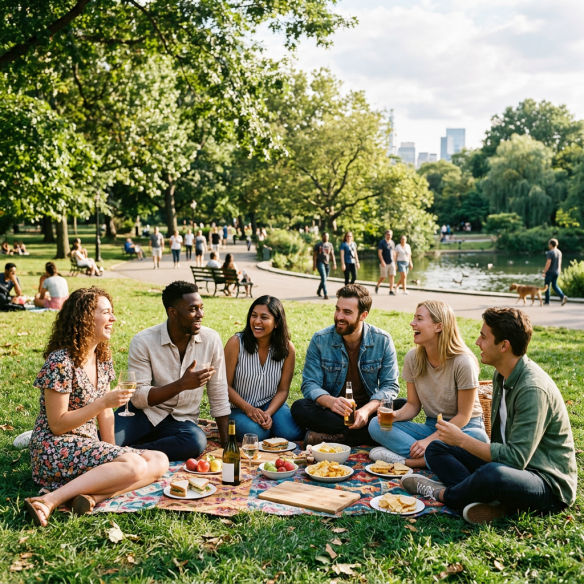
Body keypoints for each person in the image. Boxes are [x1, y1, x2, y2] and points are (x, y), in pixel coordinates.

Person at [402, 308, 577, 525]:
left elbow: (516, 459)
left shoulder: (533, 389)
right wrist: (457, 442)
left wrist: (462, 440)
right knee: (438, 447)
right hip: (513, 469)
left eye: (484, 337)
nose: (477, 342)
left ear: (504, 346)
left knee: (492, 474)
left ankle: (444, 495)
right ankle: (489, 502)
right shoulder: (501, 375)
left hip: (546, 484)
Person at [23, 287, 169, 527]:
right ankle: (49, 500)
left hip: (87, 444)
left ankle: (90, 497)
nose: (113, 319)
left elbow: (107, 412)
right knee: (135, 465)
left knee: (159, 460)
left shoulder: (102, 357)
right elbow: (58, 425)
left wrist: (111, 453)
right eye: (106, 313)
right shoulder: (60, 361)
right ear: (86, 318)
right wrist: (102, 402)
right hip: (55, 448)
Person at [114, 281, 231, 460]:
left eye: (201, 308)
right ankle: (122, 450)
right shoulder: (143, 341)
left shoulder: (211, 340)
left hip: (182, 422)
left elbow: (218, 392)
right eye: (193, 309)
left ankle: (130, 453)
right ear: (172, 312)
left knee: (196, 442)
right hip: (144, 414)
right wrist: (181, 385)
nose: (200, 315)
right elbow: (137, 398)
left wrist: (226, 444)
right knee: (106, 442)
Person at [368, 301, 489, 468]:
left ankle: (409, 462)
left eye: (419, 319)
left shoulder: (463, 362)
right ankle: (439, 459)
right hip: (433, 425)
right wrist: (395, 416)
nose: (412, 323)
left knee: (479, 439)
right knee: (376, 425)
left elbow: (463, 416)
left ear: (438, 326)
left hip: (464, 429)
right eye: (414, 318)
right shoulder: (412, 358)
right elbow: (412, 405)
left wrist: (428, 442)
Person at [291, 284, 402, 446]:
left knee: (402, 406)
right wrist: (331, 402)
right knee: (299, 407)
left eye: (347, 312)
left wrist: (367, 410)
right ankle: (366, 436)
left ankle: (337, 437)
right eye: (338, 309)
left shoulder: (383, 340)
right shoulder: (320, 340)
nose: (339, 316)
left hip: (367, 411)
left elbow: (390, 386)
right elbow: (310, 384)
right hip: (333, 412)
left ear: (363, 315)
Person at [225, 296, 304, 442]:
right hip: (238, 407)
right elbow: (224, 386)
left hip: (270, 403)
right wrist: (248, 409)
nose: (256, 321)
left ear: (277, 323)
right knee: (257, 435)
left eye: (264, 317)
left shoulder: (287, 348)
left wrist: (268, 413)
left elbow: (283, 390)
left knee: (291, 434)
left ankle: (272, 424)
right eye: (253, 315)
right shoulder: (236, 343)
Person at [543, 238, 568, 306]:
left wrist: (545, 271)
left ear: (551, 245)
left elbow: (548, 263)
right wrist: (559, 270)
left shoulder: (550, 252)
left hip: (550, 272)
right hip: (556, 271)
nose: (549, 246)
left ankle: (547, 301)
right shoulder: (559, 252)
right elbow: (559, 262)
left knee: (546, 286)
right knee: (554, 286)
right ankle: (562, 296)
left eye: (549, 244)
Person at [313, 232, 336, 300]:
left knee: (325, 279)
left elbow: (332, 254)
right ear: (322, 236)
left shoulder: (330, 245)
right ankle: (325, 294)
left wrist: (334, 263)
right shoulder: (318, 245)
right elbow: (315, 255)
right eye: (325, 236)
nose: (326, 237)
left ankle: (318, 291)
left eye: (327, 236)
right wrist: (314, 265)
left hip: (327, 264)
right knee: (323, 278)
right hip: (320, 263)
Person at [375, 230, 396, 295]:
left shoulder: (392, 242)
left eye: (390, 235)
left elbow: (393, 252)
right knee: (383, 277)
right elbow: (379, 253)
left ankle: (391, 290)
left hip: (391, 262)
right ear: (385, 235)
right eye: (388, 234)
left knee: (392, 276)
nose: (389, 236)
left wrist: (395, 262)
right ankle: (377, 285)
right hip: (384, 262)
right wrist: (382, 261)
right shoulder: (382, 243)